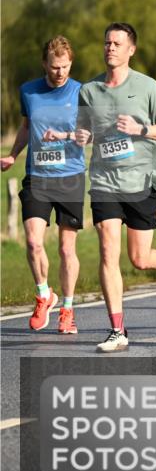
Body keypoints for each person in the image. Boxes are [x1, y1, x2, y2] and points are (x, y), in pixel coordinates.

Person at [75, 22, 156, 352]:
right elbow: (84, 130)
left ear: (131, 50)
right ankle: (117, 330)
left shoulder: (148, 87)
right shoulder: (88, 91)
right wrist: (83, 137)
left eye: (116, 43)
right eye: (106, 43)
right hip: (104, 182)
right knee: (107, 250)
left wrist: (141, 129)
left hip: (142, 180)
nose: (110, 48)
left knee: (139, 258)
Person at [1, 36, 86, 335]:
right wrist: (13, 155)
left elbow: (89, 133)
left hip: (71, 176)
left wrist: (63, 137)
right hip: (37, 175)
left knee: (66, 249)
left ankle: (68, 309)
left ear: (70, 64)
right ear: (44, 64)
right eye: (54, 67)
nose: (60, 72)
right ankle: (43, 294)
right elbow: (26, 128)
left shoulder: (81, 92)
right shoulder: (29, 91)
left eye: (64, 67)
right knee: (34, 242)